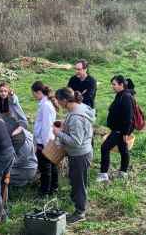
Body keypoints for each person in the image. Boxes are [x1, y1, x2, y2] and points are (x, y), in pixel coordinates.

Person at [53, 87, 95, 224]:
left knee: (79, 184)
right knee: (78, 181)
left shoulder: (76, 117)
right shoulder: (79, 107)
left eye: (58, 101)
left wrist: (58, 133)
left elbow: (76, 142)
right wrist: (65, 125)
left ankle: (80, 212)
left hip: (79, 154)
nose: (58, 104)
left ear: (65, 100)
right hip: (82, 153)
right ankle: (79, 204)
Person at [96, 75, 135, 183]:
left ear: (121, 85)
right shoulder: (121, 94)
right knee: (123, 149)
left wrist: (126, 132)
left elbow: (129, 116)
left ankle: (103, 174)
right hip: (119, 129)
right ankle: (123, 172)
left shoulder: (126, 97)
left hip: (120, 130)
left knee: (105, 147)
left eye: (114, 84)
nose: (112, 87)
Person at [31, 81, 59, 196]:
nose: (33, 96)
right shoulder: (45, 103)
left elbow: (47, 127)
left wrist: (43, 144)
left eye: (33, 93)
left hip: (45, 141)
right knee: (51, 165)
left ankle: (45, 191)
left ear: (38, 92)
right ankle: (53, 187)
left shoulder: (46, 105)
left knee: (45, 168)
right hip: (47, 140)